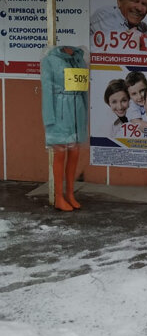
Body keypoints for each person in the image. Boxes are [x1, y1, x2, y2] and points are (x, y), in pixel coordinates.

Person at [40, 46, 89, 212]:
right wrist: (49, 119)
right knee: (60, 153)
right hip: (60, 109)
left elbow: (83, 89)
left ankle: (70, 193)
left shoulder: (79, 59)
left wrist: (85, 115)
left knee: (75, 152)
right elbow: (47, 90)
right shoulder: (50, 60)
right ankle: (59, 197)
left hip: (77, 109)